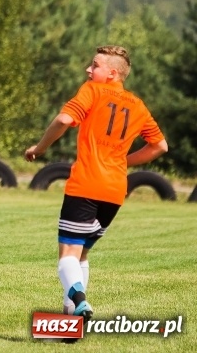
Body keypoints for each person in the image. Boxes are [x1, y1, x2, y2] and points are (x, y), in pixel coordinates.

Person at [24, 45, 167, 325]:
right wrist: (124, 161)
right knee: (81, 254)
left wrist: (40, 148)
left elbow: (65, 119)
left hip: (86, 184)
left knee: (67, 254)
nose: (89, 70)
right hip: (115, 190)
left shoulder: (92, 90)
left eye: (95, 65)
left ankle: (79, 301)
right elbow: (160, 146)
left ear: (112, 72)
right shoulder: (138, 105)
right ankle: (71, 324)